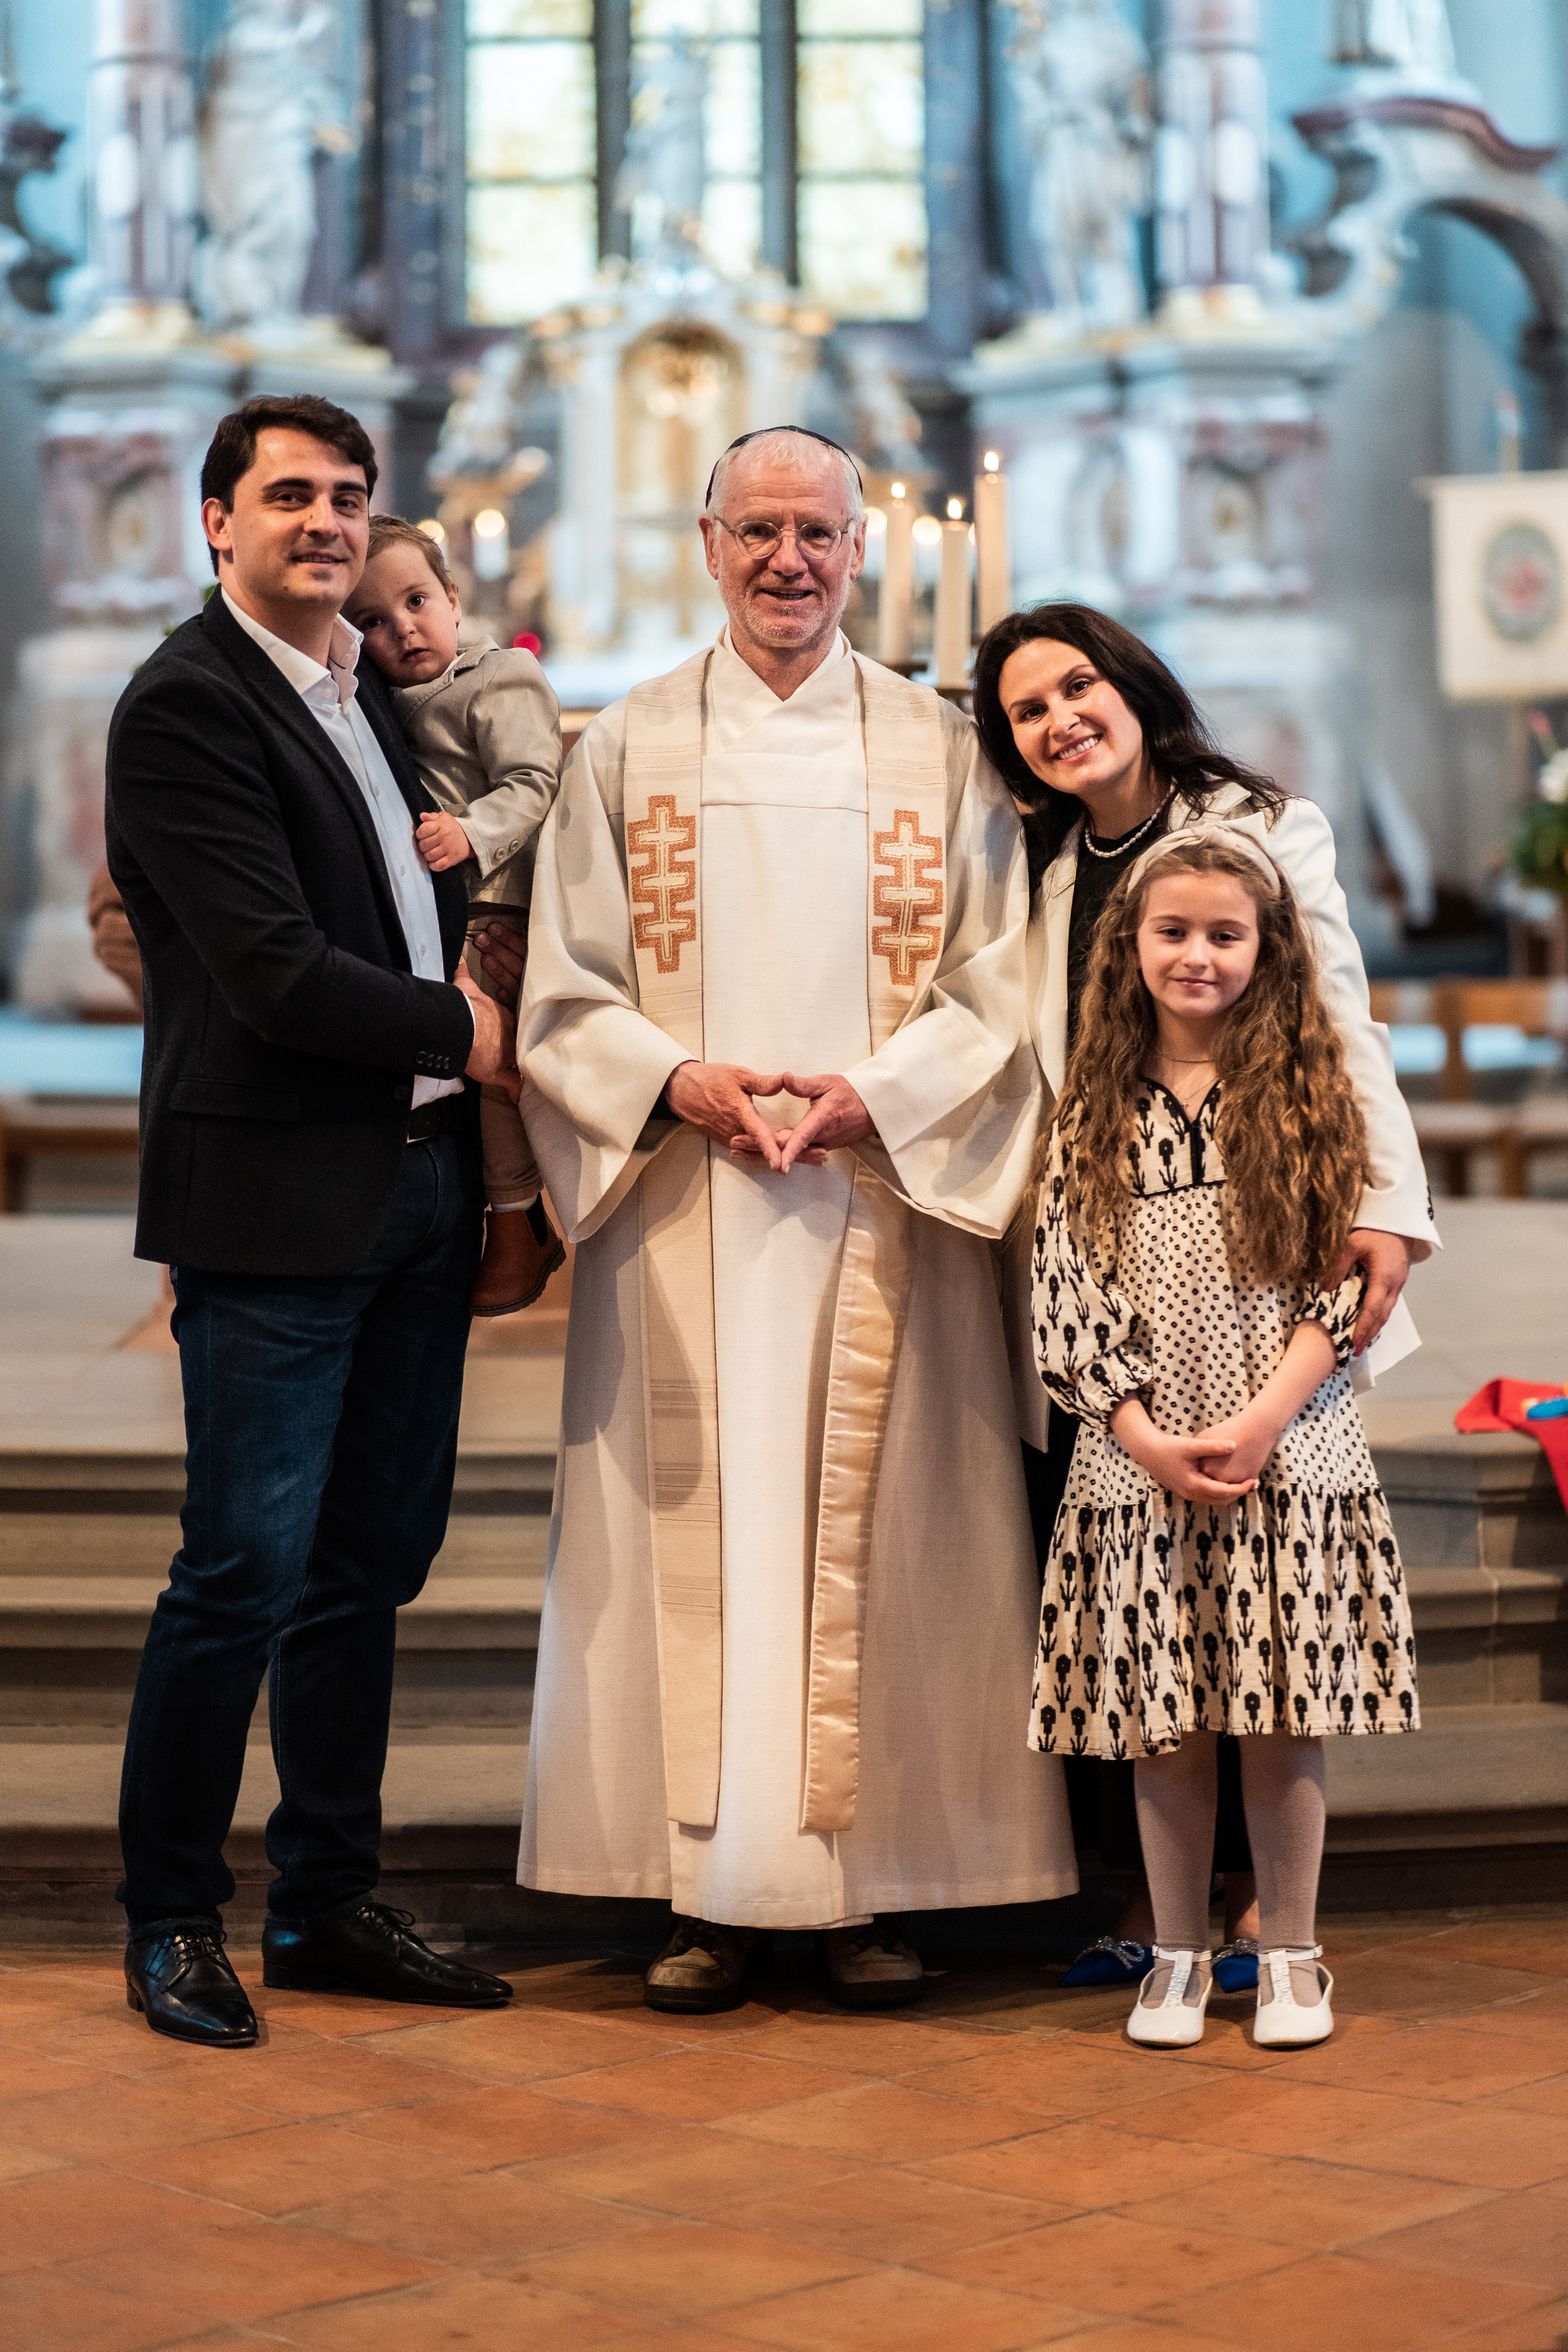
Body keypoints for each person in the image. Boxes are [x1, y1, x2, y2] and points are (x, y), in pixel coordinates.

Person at [486, 425, 1076, 2015]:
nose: (788, 562)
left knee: (891, 1553)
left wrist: (872, 1095)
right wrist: (679, 1083)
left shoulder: (941, 750)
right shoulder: (629, 748)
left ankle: (869, 1888)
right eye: (757, 532)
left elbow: (1000, 981)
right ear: (707, 542)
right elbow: (565, 988)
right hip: (689, 1208)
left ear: (861, 548)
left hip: (880, 1202)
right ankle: (706, 1890)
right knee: (705, 1544)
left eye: (816, 533)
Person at [105, 393, 518, 2048]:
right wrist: (470, 1035)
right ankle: (169, 1919)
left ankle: (328, 1896)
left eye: (350, 496)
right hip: (277, 1197)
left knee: (371, 1565)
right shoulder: (189, 705)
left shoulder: (368, 696)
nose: (329, 523)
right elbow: (272, 972)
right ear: (217, 521)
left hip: (410, 1185)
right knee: (243, 1570)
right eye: (290, 496)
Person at [971, 605, 1438, 1989]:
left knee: (1262, 1598)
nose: (1059, 719)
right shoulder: (1044, 858)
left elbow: (1337, 1012)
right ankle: (1151, 1902)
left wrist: (1381, 1208)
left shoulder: (1258, 824)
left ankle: (1254, 1911)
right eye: (1025, 710)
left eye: (1075, 686)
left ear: (1130, 684)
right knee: (1135, 1589)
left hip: (1265, 1243)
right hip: (1119, 1256)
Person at [1029, 828, 1419, 2049]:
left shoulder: (1300, 1096)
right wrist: (1139, 1432)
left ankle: (1292, 1952)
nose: (1195, 956)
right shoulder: (1090, 1102)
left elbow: (1335, 1289)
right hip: (1136, 1457)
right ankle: (1178, 1957)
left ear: (1265, 949)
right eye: (1171, 932)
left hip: (1287, 1444)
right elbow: (1064, 1280)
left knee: (1279, 1709)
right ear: (1127, 947)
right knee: (1167, 1715)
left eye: (1221, 935)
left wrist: (1259, 1421)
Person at [345, 513, 565, 1316]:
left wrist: (470, 833)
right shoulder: (369, 697)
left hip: (490, 903)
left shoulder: (497, 678)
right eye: (371, 620)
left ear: (452, 596)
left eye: (415, 602)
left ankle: (517, 1223)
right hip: (426, 912)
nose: (402, 630)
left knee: (492, 1067)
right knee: (453, 1079)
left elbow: (536, 786)